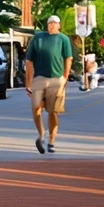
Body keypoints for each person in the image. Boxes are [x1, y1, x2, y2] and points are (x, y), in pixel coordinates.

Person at [25, 14, 74, 154]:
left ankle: (52, 140)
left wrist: (65, 77)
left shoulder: (63, 39)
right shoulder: (38, 38)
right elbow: (29, 61)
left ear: (59, 25)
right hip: (39, 78)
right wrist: (28, 82)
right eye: (49, 23)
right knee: (36, 107)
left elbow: (68, 59)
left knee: (52, 111)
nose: (51, 25)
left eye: (54, 23)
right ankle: (41, 136)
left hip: (56, 78)